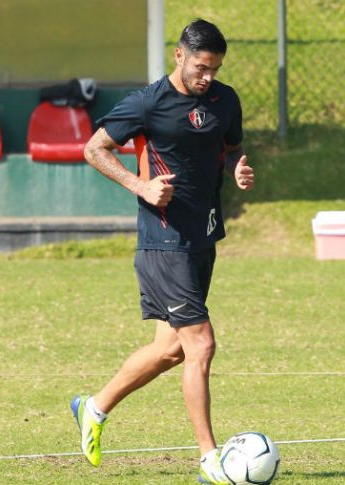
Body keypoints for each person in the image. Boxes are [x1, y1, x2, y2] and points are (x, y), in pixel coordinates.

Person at [70, 18, 254, 484]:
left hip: (203, 236)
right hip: (163, 240)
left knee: (171, 349)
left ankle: (93, 407)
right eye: (200, 67)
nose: (206, 76)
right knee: (202, 344)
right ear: (179, 56)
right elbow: (95, 149)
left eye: (213, 68)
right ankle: (211, 459)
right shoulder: (149, 102)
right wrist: (140, 186)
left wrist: (237, 168)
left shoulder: (225, 100)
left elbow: (231, 148)